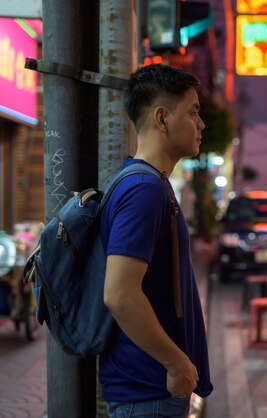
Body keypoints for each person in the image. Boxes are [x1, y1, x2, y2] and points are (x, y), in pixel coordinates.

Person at [100, 64, 212, 418]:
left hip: (150, 390)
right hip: (148, 392)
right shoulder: (144, 190)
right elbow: (120, 293)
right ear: (162, 118)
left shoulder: (147, 184)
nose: (201, 123)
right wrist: (178, 364)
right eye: (193, 112)